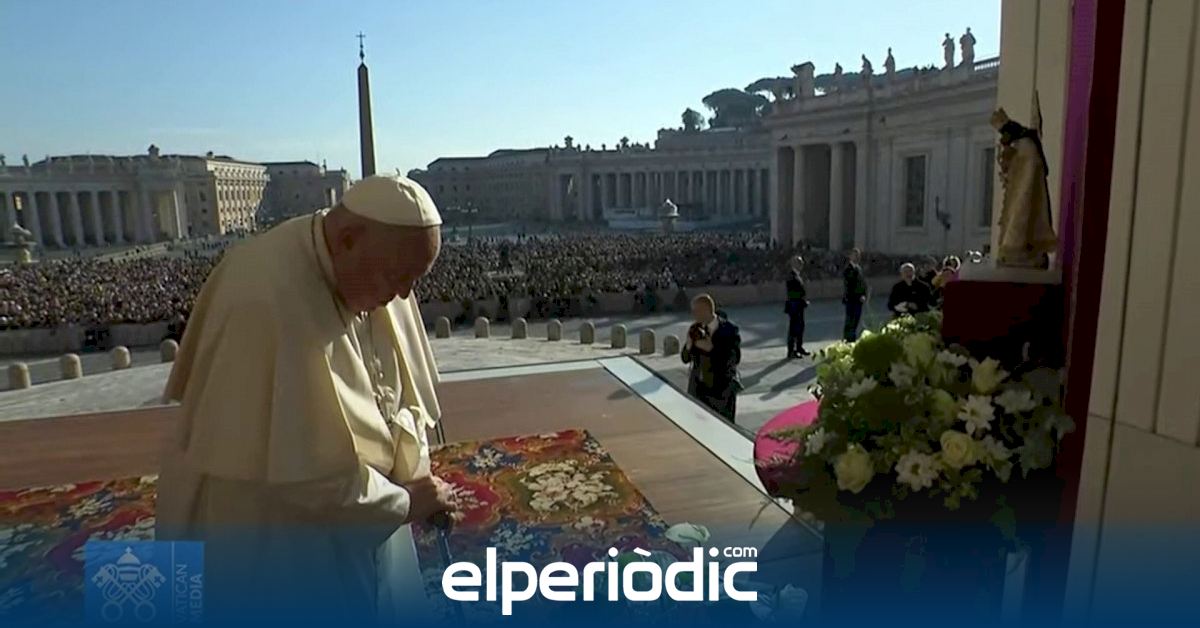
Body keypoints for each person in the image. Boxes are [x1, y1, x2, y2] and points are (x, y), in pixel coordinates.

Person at [155, 174, 457, 623]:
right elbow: (307, 478)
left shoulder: (376, 263)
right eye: (398, 278)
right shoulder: (265, 298)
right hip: (275, 530)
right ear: (348, 239)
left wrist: (416, 477)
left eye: (415, 280)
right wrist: (407, 503)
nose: (403, 295)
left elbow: (398, 394)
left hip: (366, 503)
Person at [681, 294, 742, 423]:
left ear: (706, 310)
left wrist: (712, 350)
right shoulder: (695, 329)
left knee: (723, 426)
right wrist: (689, 345)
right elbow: (685, 358)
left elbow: (735, 359)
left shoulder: (729, 330)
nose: (693, 315)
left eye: (696, 311)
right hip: (698, 390)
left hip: (721, 393)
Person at [784, 255, 810, 358]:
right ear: (794, 264)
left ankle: (799, 347)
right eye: (799, 263)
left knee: (800, 327)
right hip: (794, 306)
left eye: (801, 263)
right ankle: (792, 350)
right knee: (793, 329)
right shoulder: (791, 276)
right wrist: (802, 300)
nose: (801, 265)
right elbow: (793, 293)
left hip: (799, 306)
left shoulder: (797, 275)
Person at [842, 248, 868, 341]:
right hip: (851, 299)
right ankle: (847, 340)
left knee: (856, 320)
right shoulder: (848, 269)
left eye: (858, 255)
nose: (857, 257)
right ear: (850, 256)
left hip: (859, 300)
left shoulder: (859, 268)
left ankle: (852, 339)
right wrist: (859, 296)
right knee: (850, 321)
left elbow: (862, 283)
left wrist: (864, 294)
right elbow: (850, 285)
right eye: (855, 255)